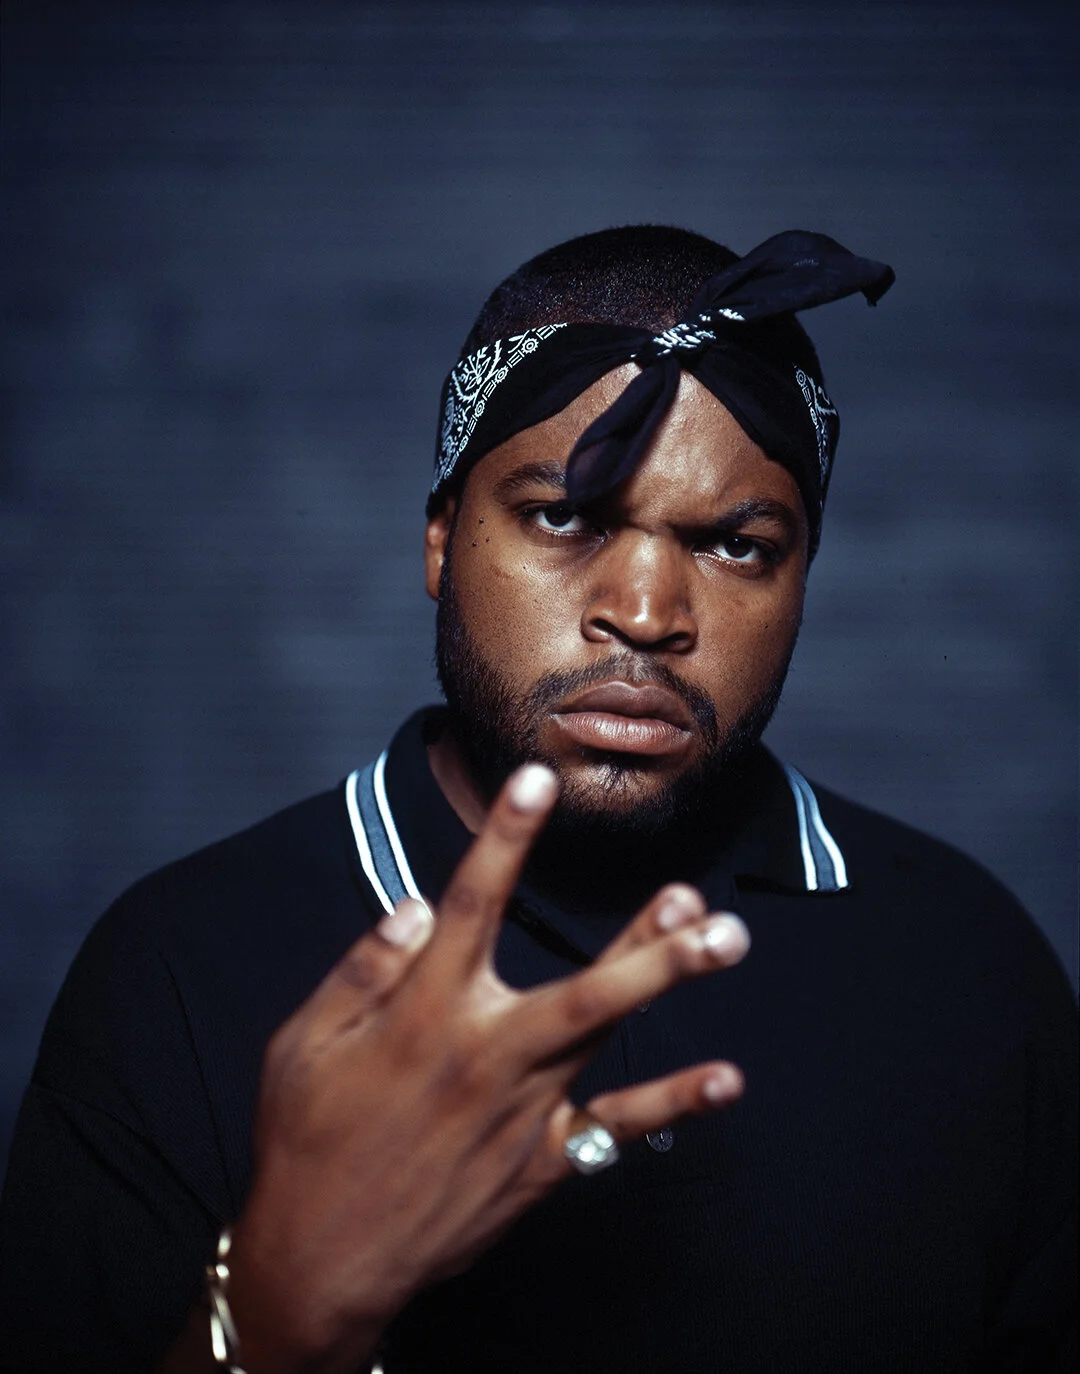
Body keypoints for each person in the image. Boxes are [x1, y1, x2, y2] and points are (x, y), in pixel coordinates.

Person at [1, 227, 1075, 1374]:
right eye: (566, 517)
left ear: (805, 576)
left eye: (737, 545)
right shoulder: (177, 970)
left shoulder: (969, 963)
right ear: (440, 539)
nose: (645, 612)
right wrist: (281, 1306)